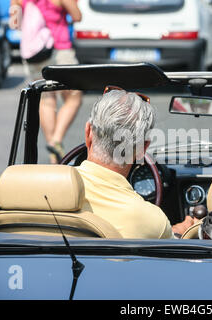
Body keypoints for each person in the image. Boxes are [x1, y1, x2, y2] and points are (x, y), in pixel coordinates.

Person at [76, 87, 199, 239]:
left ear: (88, 132)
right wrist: (182, 231)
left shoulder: (43, 192)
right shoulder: (150, 220)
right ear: (142, 149)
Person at [10, 0, 83, 164]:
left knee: (47, 100)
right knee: (74, 97)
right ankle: (56, 140)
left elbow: (15, 22)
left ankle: (53, 153)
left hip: (35, 52)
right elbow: (77, 16)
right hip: (59, 49)